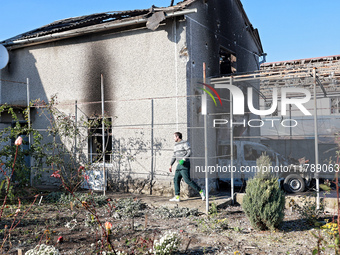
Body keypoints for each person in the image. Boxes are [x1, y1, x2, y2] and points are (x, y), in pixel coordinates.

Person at [169, 132, 205, 202]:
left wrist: (184, 159)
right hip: (179, 164)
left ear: (177, 137)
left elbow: (189, 151)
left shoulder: (185, 143)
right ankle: (177, 197)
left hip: (185, 164)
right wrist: (171, 164)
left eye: (174, 137)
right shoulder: (175, 145)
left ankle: (201, 191)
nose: (173, 138)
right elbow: (174, 155)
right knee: (176, 179)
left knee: (187, 180)